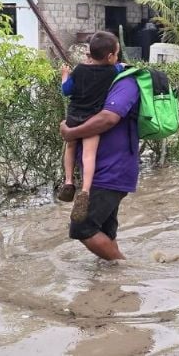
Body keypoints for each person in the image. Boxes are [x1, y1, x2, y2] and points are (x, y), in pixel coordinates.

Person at [58, 31, 140, 260]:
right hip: (101, 170)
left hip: (112, 171)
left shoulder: (126, 83)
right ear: (113, 56)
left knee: (82, 227)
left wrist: (70, 132)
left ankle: (124, 267)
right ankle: (111, 283)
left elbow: (108, 119)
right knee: (105, 229)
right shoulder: (113, 73)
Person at [57, 31, 123, 223]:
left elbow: (65, 91)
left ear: (90, 54)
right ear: (110, 56)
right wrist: (121, 65)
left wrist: (64, 75)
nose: (117, 57)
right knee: (89, 155)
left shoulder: (79, 70)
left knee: (70, 147)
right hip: (92, 120)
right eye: (117, 53)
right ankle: (85, 191)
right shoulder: (113, 71)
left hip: (73, 116)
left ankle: (68, 181)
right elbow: (121, 68)